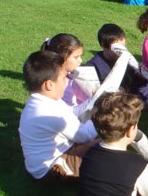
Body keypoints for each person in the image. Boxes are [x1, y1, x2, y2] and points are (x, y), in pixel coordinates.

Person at [18, 50, 98, 183]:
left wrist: (93, 100)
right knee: (108, 144)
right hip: (53, 167)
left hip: (59, 153)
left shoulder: (43, 100)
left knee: (105, 137)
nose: (66, 82)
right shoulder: (48, 111)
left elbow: (72, 112)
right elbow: (86, 135)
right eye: (64, 78)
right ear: (49, 84)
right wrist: (99, 115)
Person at [85, 24, 148, 104]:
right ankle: (134, 104)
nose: (120, 52)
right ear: (103, 46)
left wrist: (141, 74)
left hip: (126, 91)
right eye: (117, 50)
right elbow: (93, 90)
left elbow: (135, 80)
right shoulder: (93, 65)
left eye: (123, 47)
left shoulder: (124, 57)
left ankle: (136, 103)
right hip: (111, 96)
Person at [41, 33, 88, 107]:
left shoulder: (69, 74)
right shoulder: (58, 83)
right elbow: (68, 109)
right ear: (62, 58)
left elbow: (81, 94)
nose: (80, 61)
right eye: (76, 57)